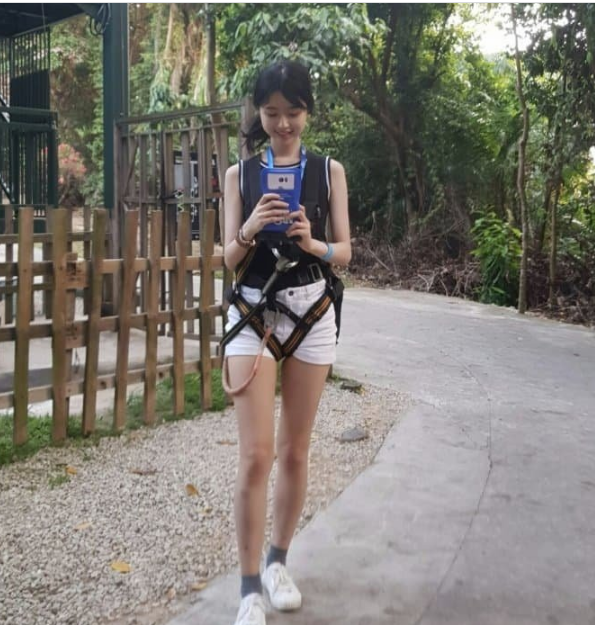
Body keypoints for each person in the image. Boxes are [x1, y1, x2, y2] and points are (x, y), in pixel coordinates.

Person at [222, 60, 351, 625]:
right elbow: (227, 258)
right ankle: (249, 586)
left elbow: (345, 252)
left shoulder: (328, 172)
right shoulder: (239, 176)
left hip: (311, 310)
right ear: (259, 112)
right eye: (271, 113)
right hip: (253, 310)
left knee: (295, 450)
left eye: (293, 112)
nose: (282, 124)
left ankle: (278, 562)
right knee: (256, 455)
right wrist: (250, 228)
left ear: (307, 112)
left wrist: (313, 242)